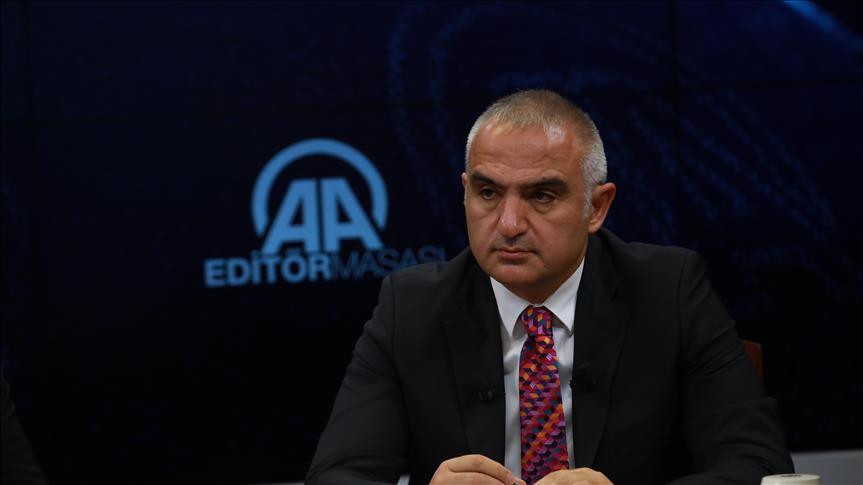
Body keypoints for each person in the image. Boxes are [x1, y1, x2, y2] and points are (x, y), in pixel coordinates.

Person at [306, 89, 793, 485]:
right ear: (465, 192)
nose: (509, 223)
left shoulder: (670, 291)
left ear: (596, 207)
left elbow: (760, 466)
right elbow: (337, 474)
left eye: (541, 195)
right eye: (488, 192)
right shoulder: (409, 308)